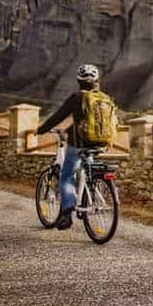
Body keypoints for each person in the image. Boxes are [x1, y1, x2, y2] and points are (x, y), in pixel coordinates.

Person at [36, 64, 106, 230]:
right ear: (96, 81)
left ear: (78, 80)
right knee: (86, 170)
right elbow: (86, 123)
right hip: (99, 143)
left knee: (66, 177)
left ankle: (67, 214)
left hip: (79, 144)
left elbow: (58, 116)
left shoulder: (77, 97)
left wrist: (41, 129)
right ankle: (87, 194)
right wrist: (68, 130)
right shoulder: (103, 98)